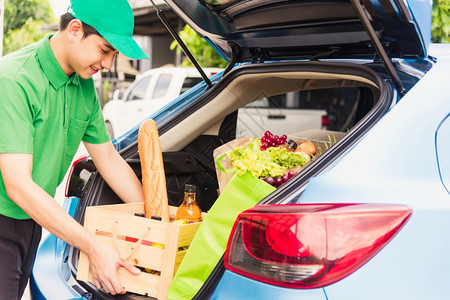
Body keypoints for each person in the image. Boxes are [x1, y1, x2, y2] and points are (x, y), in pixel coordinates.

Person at [0, 0, 149, 297]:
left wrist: (155, 219)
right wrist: (92, 246)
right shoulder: (15, 80)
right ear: (75, 30)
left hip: (33, 222)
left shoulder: (83, 88)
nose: (107, 64)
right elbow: (17, 185)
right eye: (104, 50)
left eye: (113, 55)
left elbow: (108, 158)